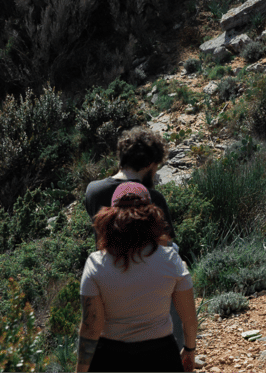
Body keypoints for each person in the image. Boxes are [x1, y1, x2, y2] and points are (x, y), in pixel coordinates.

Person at [77, 182, 197, 372]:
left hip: (111, 357)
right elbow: (188, 317)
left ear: (111, 216)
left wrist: (81, 370)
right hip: (161, 356)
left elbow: (92, 327)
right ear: (152, 215)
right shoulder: (171, 260)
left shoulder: (96, 264)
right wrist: (189, 350)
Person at [84, 127, 183, 349]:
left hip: (107, 276)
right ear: (149, 164)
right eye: (156, 168)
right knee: (175, 257)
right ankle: (178, 347)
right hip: (147, 285)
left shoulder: (93, 191)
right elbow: (165, 243)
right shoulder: (152, 197)